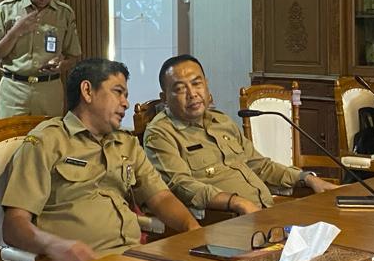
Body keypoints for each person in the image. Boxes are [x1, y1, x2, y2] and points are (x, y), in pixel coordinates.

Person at [0, 57, 199, 261]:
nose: (126, 103)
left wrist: (193, 229)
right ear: (87, 91)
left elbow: (161, 197)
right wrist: (55, 246)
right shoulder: (47, 142)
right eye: (118, 92)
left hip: (132, 259)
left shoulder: (126, 143)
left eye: (126, 95)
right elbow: (13, 226)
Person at [143, 55, 337, 217]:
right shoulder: (160, 133)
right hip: (223, 222)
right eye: (179, 89)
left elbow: (260, 166)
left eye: (196, 83)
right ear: (165, 98)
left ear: (207, 85)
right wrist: (235, 202)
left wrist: (307, 178)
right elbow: (181, 186)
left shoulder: (221, 121)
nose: (192, 94)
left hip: (265, 213)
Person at [0, 0, 82, 118]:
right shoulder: (6, 9)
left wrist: (61, 65)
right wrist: (15, 31)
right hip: (14, 90)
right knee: (11, 140)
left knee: (49, 140)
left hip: (49, 90)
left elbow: (74, 57)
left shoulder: (64, 14)